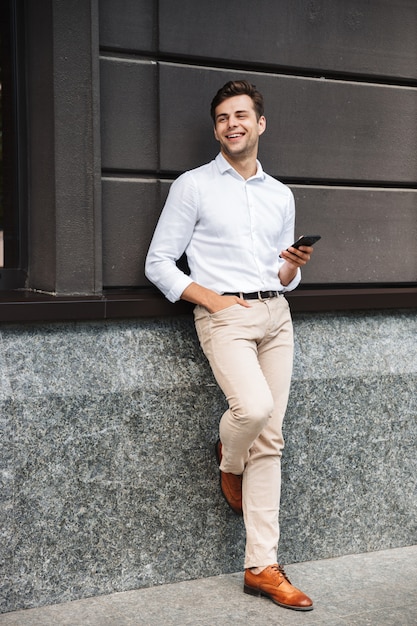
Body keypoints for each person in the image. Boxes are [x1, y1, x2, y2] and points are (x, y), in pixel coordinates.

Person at [145, 80, 314, 612]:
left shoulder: (280, 194)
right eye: (222, 117)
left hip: (276, 315)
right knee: (255, 410)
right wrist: (213, 302)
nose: (232, 124)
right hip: (226, 318)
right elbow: (158, 264)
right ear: (216, 128)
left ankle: (262, 565)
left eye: (241, 115)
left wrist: (292, 266)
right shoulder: (193, 186)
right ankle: (229, 457)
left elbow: (283, 277)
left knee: (271, 437)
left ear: (260, 124)